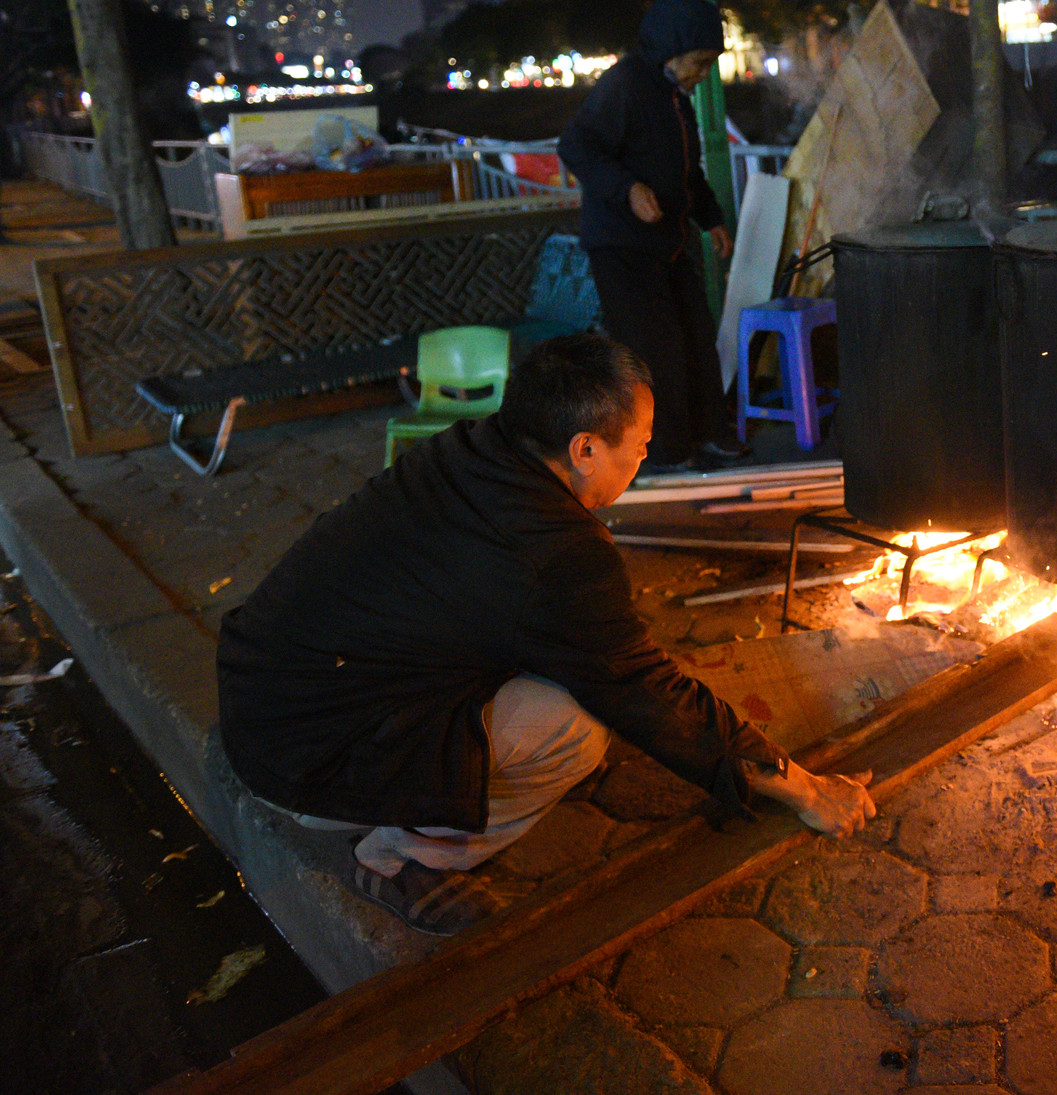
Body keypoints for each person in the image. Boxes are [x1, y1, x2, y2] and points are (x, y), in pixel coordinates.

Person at [216, 334, 874, 935]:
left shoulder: (475, 447)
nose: (644, 456)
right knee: (576, 727)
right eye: (641, 444)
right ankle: (400, 856)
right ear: (585, 448)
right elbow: (644, 691)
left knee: (565, 665)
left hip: (262, 701)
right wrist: (804, 789)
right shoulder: (554, 550)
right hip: (305, 758)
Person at [559, 0, 745, 482]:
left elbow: (687, 171)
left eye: (709, 64)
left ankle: (710, 433)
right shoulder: (624, 85)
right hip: (622, 246)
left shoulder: (675, 99)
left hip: (669, 243)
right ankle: (666, 451)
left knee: (696, 337)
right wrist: (628, 189)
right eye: (699, 62)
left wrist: (712, 218)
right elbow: (576, 145)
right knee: (653, 350)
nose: (702, 74)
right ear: (670, 51)